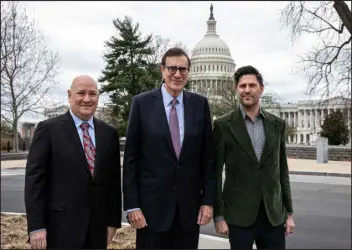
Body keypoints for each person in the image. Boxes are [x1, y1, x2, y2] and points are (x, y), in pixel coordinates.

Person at [123, 47, 216, 249]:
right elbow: (131, 159)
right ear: (162, 70)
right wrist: (132, 205)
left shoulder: (200, 105)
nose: (177, 74)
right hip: (150, 210)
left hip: (188, 212)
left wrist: (208, 201)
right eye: (172, 68)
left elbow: (208, 159)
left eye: (183, 69)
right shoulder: (142, 103)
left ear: (188, 72)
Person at [24, 75, 122, 249]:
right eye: (81, 93)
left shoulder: (109, 133)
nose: (87, 99)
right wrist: (37, 226)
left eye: (92, 94)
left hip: (97, 231)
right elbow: (35, 182)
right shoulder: (48, 130)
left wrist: (113, 222)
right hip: (59, 229)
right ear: (70, 95)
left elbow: (113, 182)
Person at [213, 66, 295, 249]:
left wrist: (289, 213)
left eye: (252, 85)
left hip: (272, 216)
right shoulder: (223, 125)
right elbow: (215, 174)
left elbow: (282, 171)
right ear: (236, 89)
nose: (247, 90)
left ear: (261, 88)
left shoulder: (277, 124)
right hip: (238, 217)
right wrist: (219, 216)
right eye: (242, 86)